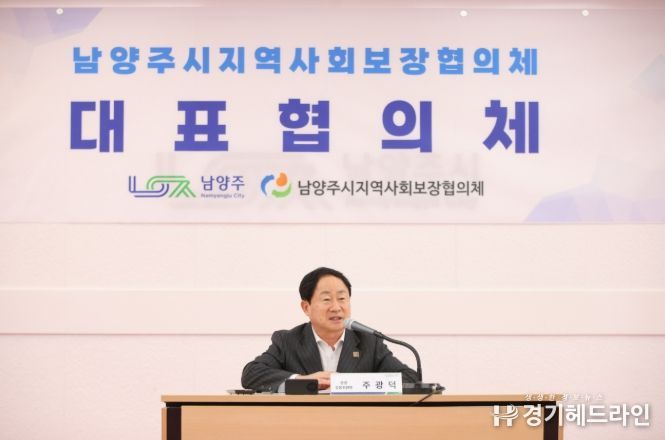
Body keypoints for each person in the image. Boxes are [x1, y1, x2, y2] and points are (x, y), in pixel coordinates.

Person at [241, 267, 418, 392]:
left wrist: (351, 384)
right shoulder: (288, 341)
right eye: (326, 300)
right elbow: (251, 374)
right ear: (306, 307)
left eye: (342, 299)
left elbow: (410, 378)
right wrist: (301, 381)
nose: (336, 307)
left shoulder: (369, 341)